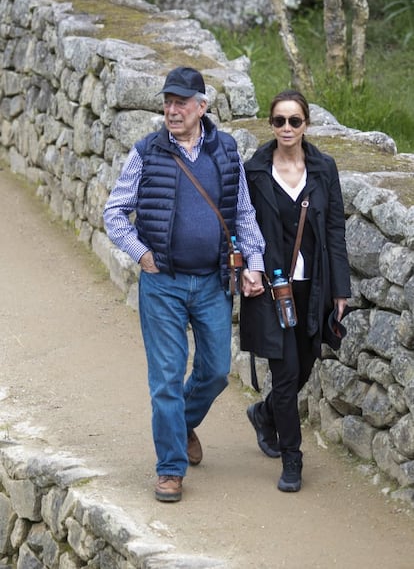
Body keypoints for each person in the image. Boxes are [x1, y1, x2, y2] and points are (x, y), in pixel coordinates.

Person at [103, 66, 265, 503]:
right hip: (163, 284)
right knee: (167, 379)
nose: (172, 110)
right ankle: (170, 469)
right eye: (167, 102)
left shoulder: (226, 151)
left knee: (214, 372)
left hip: (213, 282)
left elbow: (243, 214)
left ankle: (181, 423)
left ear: (201, 107)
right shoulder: (147, 151)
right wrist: (141, 254)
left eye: (181, 103)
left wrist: (255, 263)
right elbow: (114, 212)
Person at [240, 89, 351, 492]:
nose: (286, 128)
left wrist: (341, 290)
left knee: (304, 366)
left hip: (314, 287)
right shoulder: (254, 171)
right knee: (285, 375)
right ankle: (292, 460)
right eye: (279, 121)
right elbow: (241, 226)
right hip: (272, 288)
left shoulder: (324, 169)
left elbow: (335, 230)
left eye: (294, 121)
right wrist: (248, 272)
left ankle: (265, 414)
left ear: (306, 125)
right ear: (271, 125)